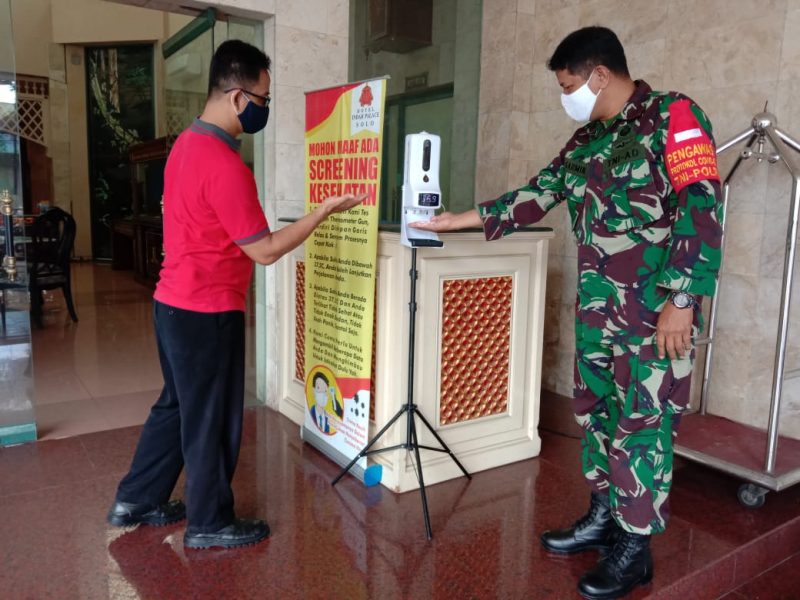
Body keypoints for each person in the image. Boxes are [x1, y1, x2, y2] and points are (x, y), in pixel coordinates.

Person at [411, 26, 722, 599]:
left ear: (599, 74)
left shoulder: (673, 115)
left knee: (643, 427)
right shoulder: (587, 142)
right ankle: (605, 515)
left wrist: (683, 299)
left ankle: (636, 550)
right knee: (598, 416)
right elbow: (539, 191)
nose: (567, 96)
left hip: (654, 319)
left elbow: (702, 203)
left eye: (569, 85)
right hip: (600, 315)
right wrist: (458, 220)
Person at [106, 40, 366, 550]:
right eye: (263, 99)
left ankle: (136, 498)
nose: (265, 109)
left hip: (172, 303)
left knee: (178, 406)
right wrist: (322, 212)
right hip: (207, 311)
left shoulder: (184, 146)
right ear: (237, 95)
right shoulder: (225, 165)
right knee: (209, 418)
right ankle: (209, 522)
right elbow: (264, 251)